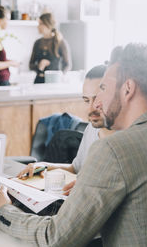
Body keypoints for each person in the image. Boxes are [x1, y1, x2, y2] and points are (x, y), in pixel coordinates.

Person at [0, 43, 147, 246]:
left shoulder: (114, 150)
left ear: (127, 89)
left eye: (104, 88)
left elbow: (56, 238)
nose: (98, 100)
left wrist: (3, 211)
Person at [17, 64, 114, 195]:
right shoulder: (92, 128)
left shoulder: (121, 142)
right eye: (86, 100)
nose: (90, 109)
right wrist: (44, 166)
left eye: (97, 100)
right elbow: (75, 168)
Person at [29, 13, 71, 84]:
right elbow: (31, 65)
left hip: (54, 82)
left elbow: (67, 65)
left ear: (48, 24)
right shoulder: (37, 43)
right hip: (39, 81)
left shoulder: (60, 42)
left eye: (40, 24)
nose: (38, 27)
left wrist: (60, 75)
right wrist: (39, 66)